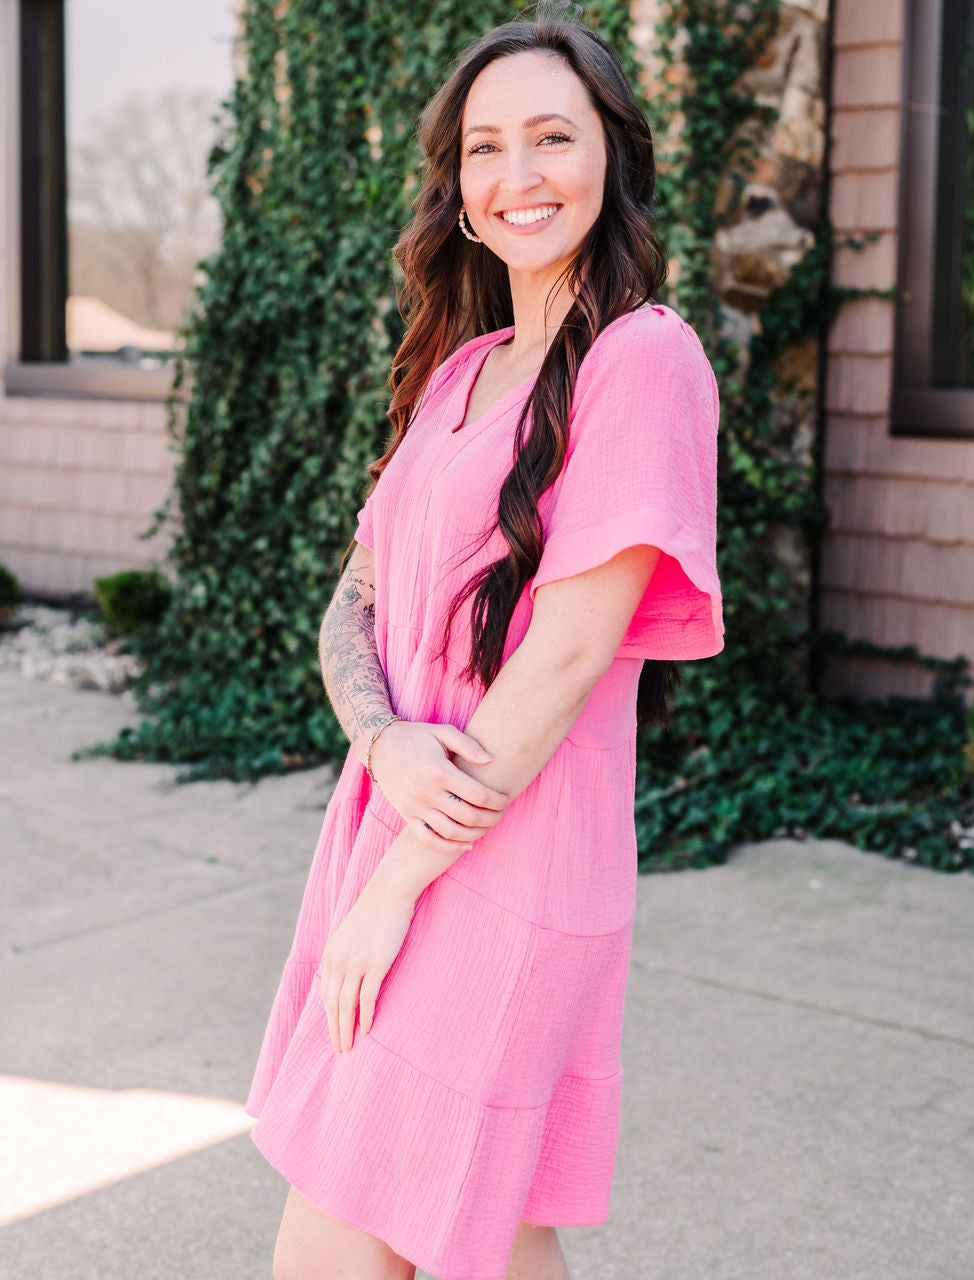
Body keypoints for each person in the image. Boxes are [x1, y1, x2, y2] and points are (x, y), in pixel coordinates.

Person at [244, 9, 723, 1279]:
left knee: (342, 1232)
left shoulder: (644, 359)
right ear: (457, 188)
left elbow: (564, 660)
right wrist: (383, 739)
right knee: (488, 1227)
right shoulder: (459, 374)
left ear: (609, 158)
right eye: (486, 146)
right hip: (403, 827)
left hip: (502, 865)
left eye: (552, 137)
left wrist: (390, 892)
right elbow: (351, 601)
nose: (520, 175)